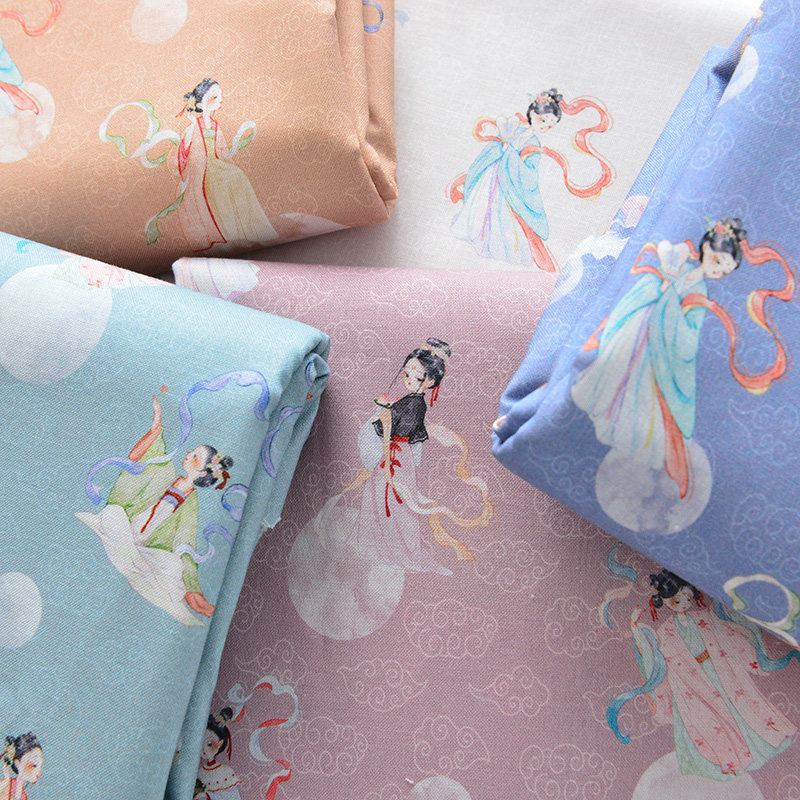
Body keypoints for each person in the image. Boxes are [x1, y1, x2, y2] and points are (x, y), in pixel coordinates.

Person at [572, 219, 794, 499]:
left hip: (659, 345)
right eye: (718, 261)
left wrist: (671, 304)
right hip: (641, 328)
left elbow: (688, 337)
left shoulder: (700, 291)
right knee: (620, 377)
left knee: (641, 392)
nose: (718, 270)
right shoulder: (683, 266)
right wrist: (664, 289)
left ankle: (617, 435)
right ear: (706, 248)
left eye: (725, 270)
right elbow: (655, 283)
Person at [619, 570, 797, 779]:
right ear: (664, 602)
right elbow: (655, 657)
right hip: (693, 683)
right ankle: (732, 760)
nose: (684, 603)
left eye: (688, 597)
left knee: (740, 706)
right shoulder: (665, 632)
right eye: (677, 600)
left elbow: (726, 628)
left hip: (720, 670)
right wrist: (635, 628)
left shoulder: (703, 617)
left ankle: (765, 743)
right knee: (712, 720)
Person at [76, 396, 232, 625]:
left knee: (173, 566)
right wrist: (156, 427)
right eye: (192, 451)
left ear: (202, 473)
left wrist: (193, 588)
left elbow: (185, 540)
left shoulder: (190, 502)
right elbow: (136, 458)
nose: (188, 453)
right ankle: (131, 559)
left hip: (146, 546)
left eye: (195, 456)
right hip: (128, 527)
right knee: (113, 514)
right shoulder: (165, 470)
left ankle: (135, 561)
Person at [449, 88, 613, 270]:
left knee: (502, 217)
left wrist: (511, 153)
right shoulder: (515, 129)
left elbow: (529, 173)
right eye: (543, 120)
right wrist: (501, 147)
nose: (544, 126)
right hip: (492, 176)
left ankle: (492, 245)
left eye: (549, 126)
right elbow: (494, 147)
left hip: (511, 184)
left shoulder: (534, 142)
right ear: (533, 113)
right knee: (483, 207)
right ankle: (477, 235)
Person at [172, 79, 279, 252]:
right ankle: (228, 232)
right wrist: (191, 126)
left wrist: (233, 149)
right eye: (214, 97)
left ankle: (249, 229)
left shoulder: (215, 126)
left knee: (238, 175)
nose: (219, 99)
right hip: (202, 169)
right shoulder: (194, 126)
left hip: (217, 164)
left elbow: (221, 150)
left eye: (219, 96)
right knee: (222, 182)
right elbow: (183, 151)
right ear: (200, 104)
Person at [0, 733, 42, 800]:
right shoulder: (4, 785)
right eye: (34, 765)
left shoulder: (23, 795)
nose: (39, 772)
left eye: (40, 765)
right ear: (17, 763)